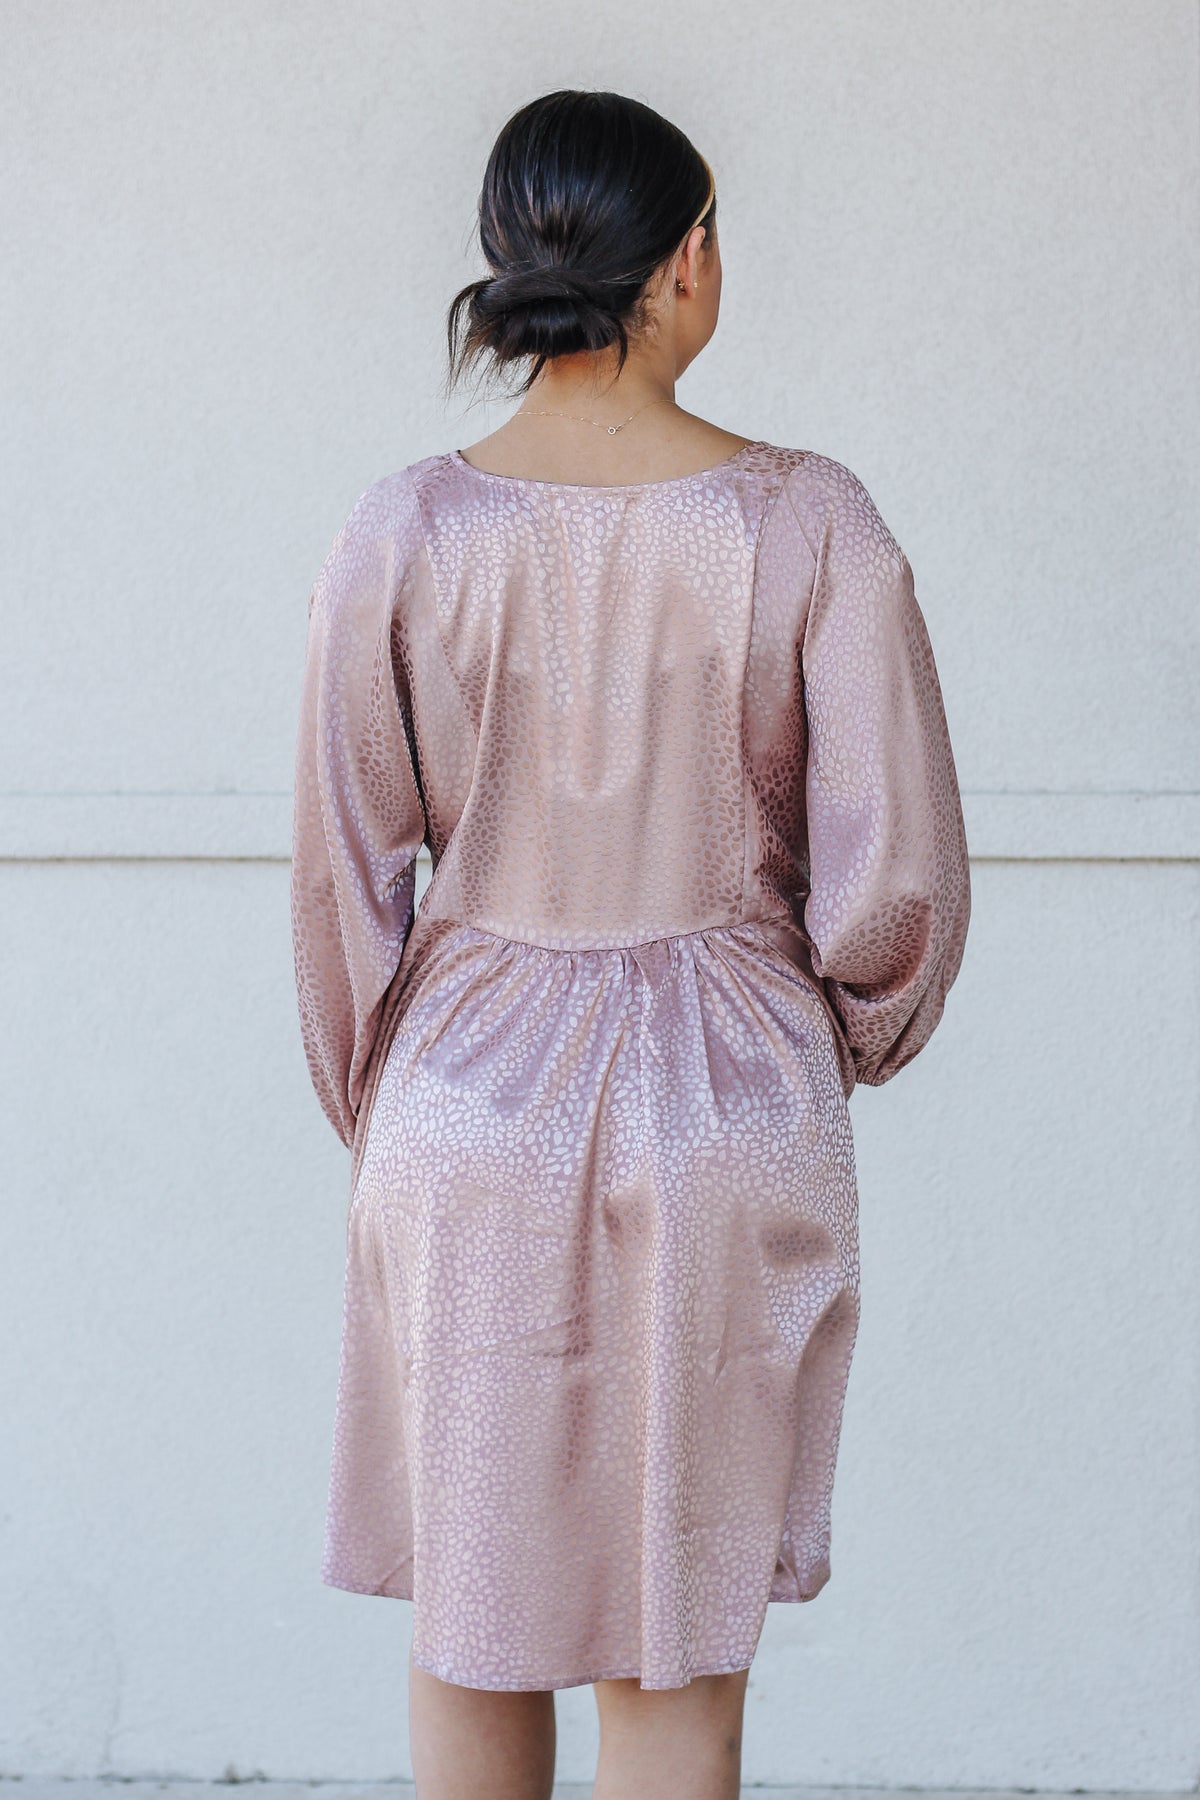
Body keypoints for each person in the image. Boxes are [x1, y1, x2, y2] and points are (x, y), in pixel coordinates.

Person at [290, 86, 971, 1800]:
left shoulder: (405, 530)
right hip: (725, 1111)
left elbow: (344, 873)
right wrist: (832, 1032)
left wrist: (386, 1090)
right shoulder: (809, 519)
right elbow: (894, 878)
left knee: (473, 1626)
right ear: (684, 265)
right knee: (680, 1663)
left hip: (462, 1113)